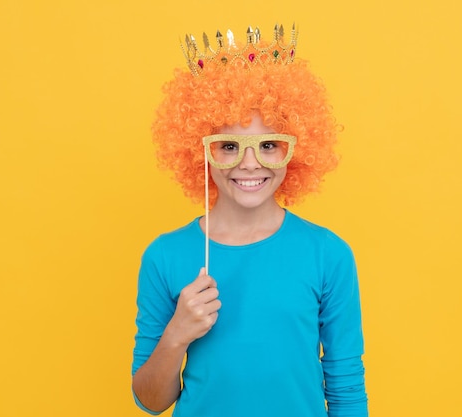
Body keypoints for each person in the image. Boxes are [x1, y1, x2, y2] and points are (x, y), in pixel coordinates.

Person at [132, 24, 368, 417]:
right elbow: (150, 402)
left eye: (269, 145)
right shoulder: (165, 256)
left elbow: (346, 384)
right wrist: (177, 334)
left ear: (294, 150)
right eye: (228, 146)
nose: (249, 163)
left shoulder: (328, 254)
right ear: (200, 152)